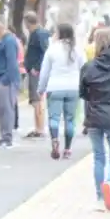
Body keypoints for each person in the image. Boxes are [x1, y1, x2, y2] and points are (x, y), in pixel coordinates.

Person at [80, 28, 110, 212]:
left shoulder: (88, 67)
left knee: (99, 157)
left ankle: (100, 198)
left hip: (94, 115)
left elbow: (83, 93)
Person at [37, 22, 86, 161]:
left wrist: (41, 89)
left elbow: (45, 72)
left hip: (55, 87)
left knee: (54, 118)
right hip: (73, 88)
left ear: (59, 33)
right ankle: (68, 149)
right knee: (70, 120)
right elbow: (84, 69)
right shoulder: (78, 49)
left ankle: (54, 140)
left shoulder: (52, 49)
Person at [0, 15, 22, 148]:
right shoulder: (3, 40)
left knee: (6, 108)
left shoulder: (9, 41)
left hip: (6, 79)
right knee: (2, 109)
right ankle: (4, 136)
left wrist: (7, 80)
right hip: (1, 78)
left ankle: (7, 137)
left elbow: (12, 62)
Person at [23, 12, 50, 138]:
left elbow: (45, 52)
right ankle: (38, 127)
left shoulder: (39, 34)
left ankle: (40, 128)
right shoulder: (37, 33)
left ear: (28, 22)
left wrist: (37, 67)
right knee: (36, 99)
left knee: (37, 99)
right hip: (34, 69)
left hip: (36, 71)